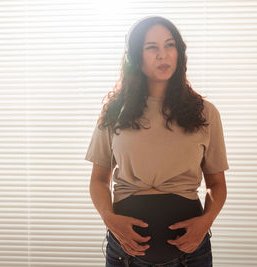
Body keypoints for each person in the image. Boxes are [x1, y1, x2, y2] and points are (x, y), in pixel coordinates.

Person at [85, 15, 229, 267]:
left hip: (191, 254)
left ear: (179, 52)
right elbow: (98, 180)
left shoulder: (205, 113)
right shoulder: (114, 112)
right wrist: (109, 218)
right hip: (124, 254)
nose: (162, 55)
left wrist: (205, 222)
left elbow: (216, 183)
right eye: (152, 48)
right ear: (136, 57)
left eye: (169, 45)